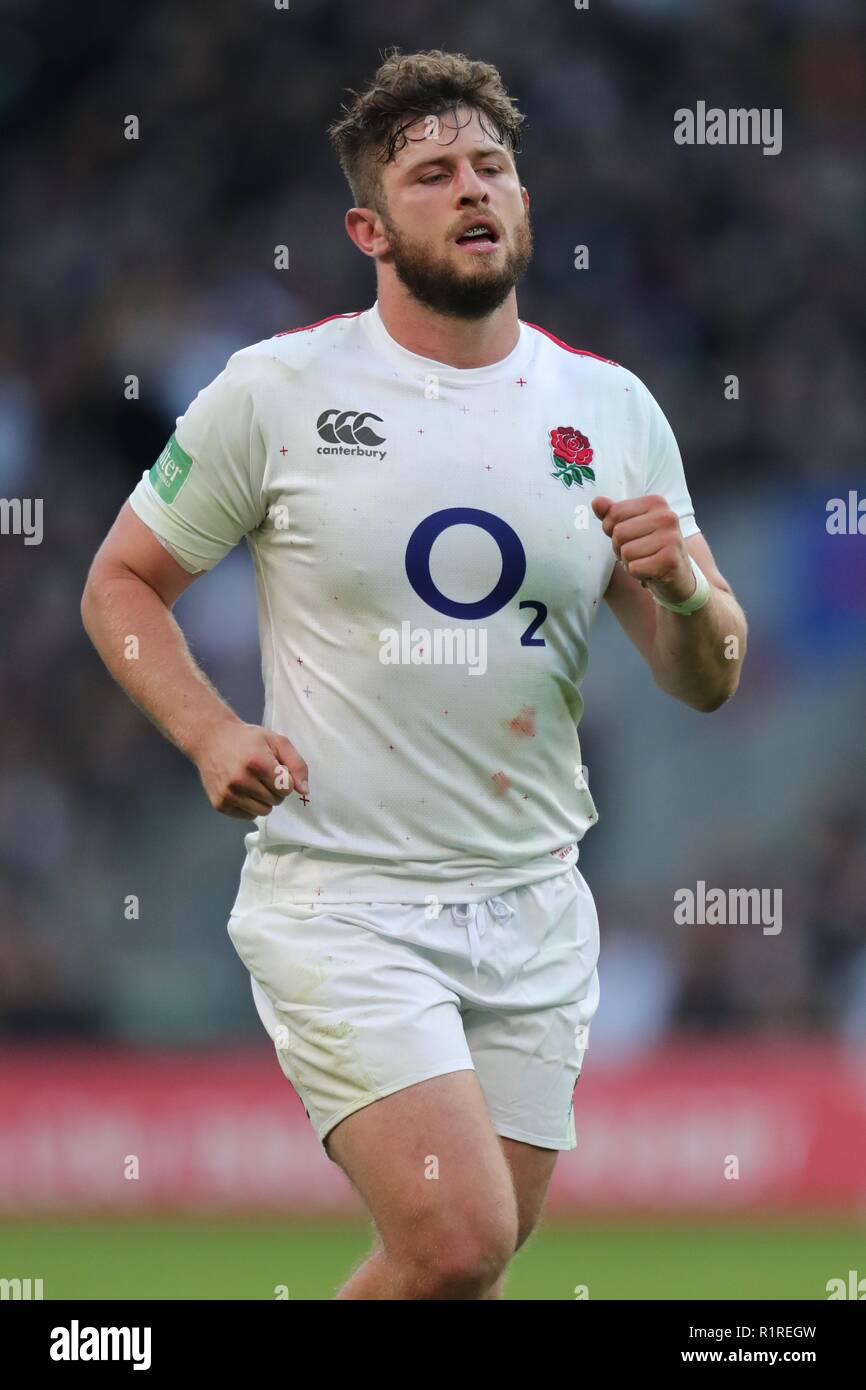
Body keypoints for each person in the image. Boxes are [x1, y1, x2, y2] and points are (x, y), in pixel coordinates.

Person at [81, 48, 747, 1299]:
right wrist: (207, 730)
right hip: (346, 896)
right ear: (369, 228)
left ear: (525, 201)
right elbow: (118, 582)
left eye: (491, 166)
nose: (471, 189)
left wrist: (683, 590)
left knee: (453, 1271)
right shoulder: (275, 391)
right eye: (433, 174)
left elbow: (704, 675)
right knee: (458, 1239)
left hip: (536, 899)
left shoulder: (609, 407)